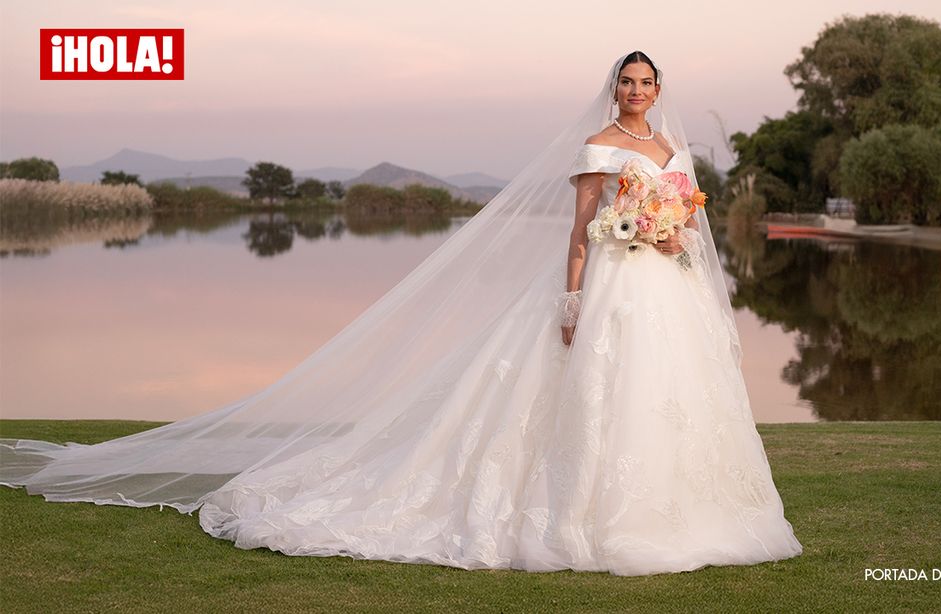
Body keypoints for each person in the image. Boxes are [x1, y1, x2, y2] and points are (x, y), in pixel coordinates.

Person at [0, 51, 803, 576]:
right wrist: (569, 298)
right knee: (599, 393)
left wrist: (669, 241)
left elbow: (684, 227)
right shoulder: (597, 145)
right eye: (625, 82)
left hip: (666, 286)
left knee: (670, 401)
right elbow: (583, 228)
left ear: (661, 91)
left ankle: (680, 507)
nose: (635, 92)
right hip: (608, 292)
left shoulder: (673, 152)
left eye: (645, 83)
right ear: (614, 89)